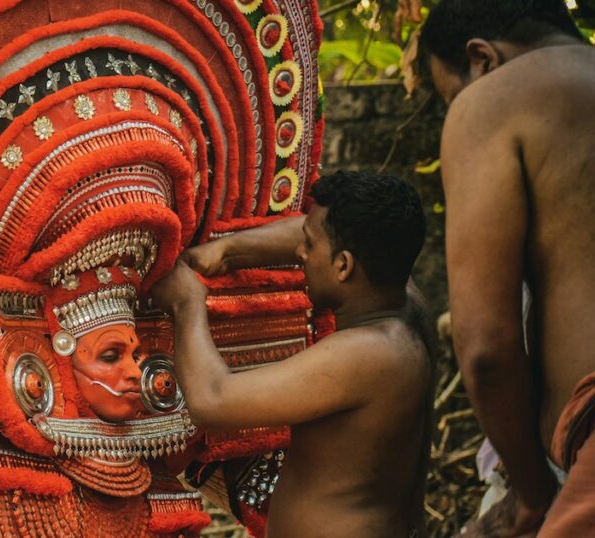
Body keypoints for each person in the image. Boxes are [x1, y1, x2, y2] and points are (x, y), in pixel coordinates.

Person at [153, 171, 433, 537]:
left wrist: (187, 305)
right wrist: (228, 252)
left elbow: (213, 400)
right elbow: (309, 230)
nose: (300, 252)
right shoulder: (406, 300)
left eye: (310, 246)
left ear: (344, 266)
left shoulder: (367, 353)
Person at [418, 1, 595, 535]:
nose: (459, 109)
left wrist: (531, 497)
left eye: (452, 97)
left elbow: (487, 348)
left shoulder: (498, 98)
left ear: (481, 59)